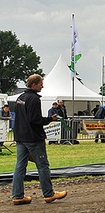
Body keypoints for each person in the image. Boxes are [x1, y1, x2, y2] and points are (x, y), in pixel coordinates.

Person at [11, 74, 67, 205]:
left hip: (20, 137)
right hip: (33, 138)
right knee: (42, 166)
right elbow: (34, 119)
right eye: (41, 83)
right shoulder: (34, 99)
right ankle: (49, 194)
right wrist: (49, 120)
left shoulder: (20, 98)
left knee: (20, 166)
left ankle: (17, 195)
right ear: (34, 84)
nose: (42, 86)